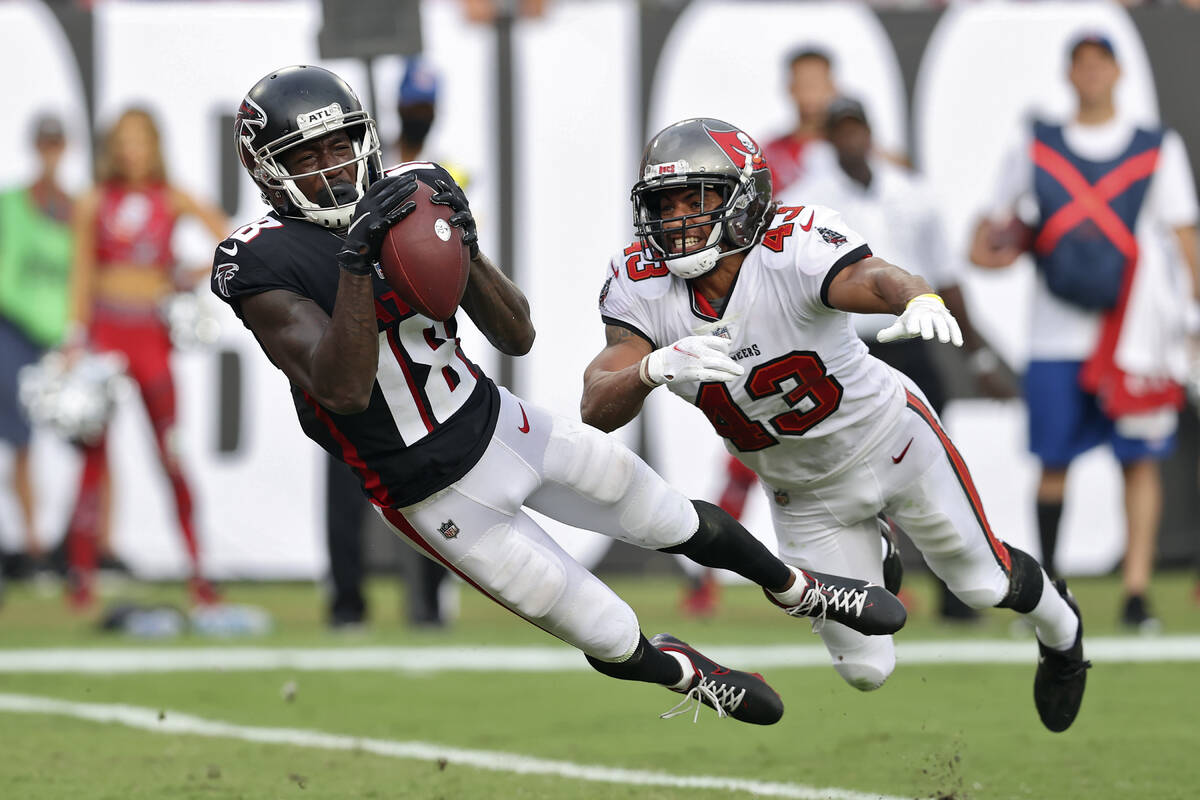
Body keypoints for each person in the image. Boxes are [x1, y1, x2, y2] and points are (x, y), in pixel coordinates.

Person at [212, 64, 905, 725]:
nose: (334, 166)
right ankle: (686, 675)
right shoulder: (256, 257)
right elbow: (342, 388)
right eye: (308, 154)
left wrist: (469, 247)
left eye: (343, 144)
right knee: (604, 632)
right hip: (428, 491)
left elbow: (517, 336)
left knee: (666, 516)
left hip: (499, 424)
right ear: (268, 169)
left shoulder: (409, 193)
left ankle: (800, 588)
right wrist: (358, 263)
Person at [582, 116, 1090, 733]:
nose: (678, 220)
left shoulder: (792, 243)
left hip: (891, 440)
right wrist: (649, 371)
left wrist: (916, 296)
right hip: (802, 493)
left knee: (983, 583)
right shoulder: (639, 284)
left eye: (697, 199)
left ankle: (1064, 633)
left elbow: (868, 276)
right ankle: (876, 546)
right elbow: (596, 403)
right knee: (865, 669)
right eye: (665, 203)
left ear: (743, 199)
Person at [969, 34, 1199, 632]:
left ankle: (1136, 592)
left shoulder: (1156, 147)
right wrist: (1001, 244)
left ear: (1118, 72)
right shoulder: (1036, 143)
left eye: (1102, 64)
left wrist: (1191, 320)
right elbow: (991, 231)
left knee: (1139, 461)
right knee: (1053, 460)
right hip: (1055, 333)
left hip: (1134, 335)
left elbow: (1183, 236)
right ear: (1070, 73)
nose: (1093, 74)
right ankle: (1050, 591)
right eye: (1083, 64)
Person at [786, 96, 1019, 622]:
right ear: (827, 138)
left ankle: (960, 594)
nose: (849, 140)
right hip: (845, 347)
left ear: (871, 132)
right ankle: (866, 592)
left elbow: (948, 280)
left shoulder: (913, 195)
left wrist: (979, 359)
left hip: (909, 345)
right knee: (848, 472)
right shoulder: (808, 201)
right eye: (839, 131)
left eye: (856, 129)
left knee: (934, 466)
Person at [65, 107, 229, 608]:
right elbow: (82, 274)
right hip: (106, 335)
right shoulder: (94, 201)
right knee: (93, 460)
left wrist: (185, 276)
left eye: (139, 141)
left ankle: (199, 570)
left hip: (150, 337)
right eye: (123, 141)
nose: (131, 151)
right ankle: (81, 576)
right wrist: (75, 337)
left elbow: (225, 235)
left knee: (171, 454)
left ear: (154, 145)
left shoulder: (170, 196)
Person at [0, 114, 74, 579]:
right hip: (12, 329)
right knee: (22, 440)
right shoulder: (12, 203)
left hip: (61, 338)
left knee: (89, 443)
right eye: (44, 144)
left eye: (56, 144)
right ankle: (32, 547)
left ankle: (86, 547)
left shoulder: (73, 207)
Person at [762, 48, 838, 197]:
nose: (810, 90)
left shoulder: (854, 150)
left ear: (832, 87)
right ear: (790, 88)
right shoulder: (768, 154)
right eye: (803, 83)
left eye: (816, 82)